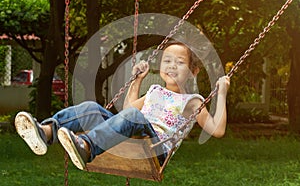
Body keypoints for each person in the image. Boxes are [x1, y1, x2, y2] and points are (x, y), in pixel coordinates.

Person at [14, 40, 230, 170]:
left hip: (155, 150)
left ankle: (86, 147)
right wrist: (137, 80)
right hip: (135, 137)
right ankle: (46, 131)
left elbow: (217, 130)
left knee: (136, 118)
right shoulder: (155, 91)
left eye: (180, 62)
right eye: (167, 60)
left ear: (194, 72)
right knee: (92, 108)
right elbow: (127, 113)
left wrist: (221, 93)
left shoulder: (192, 101)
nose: (172, 66)